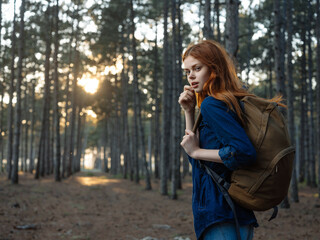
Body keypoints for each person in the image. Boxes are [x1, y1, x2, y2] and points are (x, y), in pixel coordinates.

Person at [178, 40, 260, 240]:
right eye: (188, 71)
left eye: (198, 68)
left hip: (221, 214)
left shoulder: (212, 104)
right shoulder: (226, 101)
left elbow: (243, 152)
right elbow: (199, 164)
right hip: (235, 214)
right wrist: (189, 112)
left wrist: (196, 151)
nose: (191, 76)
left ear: (214, 68)